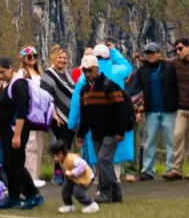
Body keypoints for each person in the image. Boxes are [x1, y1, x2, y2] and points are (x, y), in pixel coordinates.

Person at [68, 43, 134, 181]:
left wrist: (72, 123)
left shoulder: (84, 77)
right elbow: (127, 66)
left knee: (98, 155)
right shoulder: (118, 70)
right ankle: (115, 180)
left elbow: (77, 102)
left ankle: (101, 182)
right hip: (115, 120)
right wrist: (114, 51)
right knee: (113, 155)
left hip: (95, 121)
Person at [0, 56, 42, 210]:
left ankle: (33, 194)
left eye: (2, 72)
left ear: (10, 68)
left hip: (17, 130)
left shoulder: (18, 84)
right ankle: (14, 196)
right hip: (6, 130)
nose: (0, 76)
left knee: (17, 166)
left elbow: (21, 112)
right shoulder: (5, 84)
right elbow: (2, 108)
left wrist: (17, 136)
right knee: (8, 165)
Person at [76, 54, 125, 203]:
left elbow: (120, 110)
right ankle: (116, 193)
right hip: (95, 133)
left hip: (110, 132)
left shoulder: (109, 86)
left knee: (103, 160)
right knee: (103, 162)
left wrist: (119, 131)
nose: (87, 73)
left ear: (96, 69)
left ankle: (105, 192)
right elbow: (84, 113)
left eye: (89, 70)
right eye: (84, 71)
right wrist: (81, 133)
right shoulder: (84, 89)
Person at [126, 41, 178, 180]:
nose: (150, 55)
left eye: (153, 53)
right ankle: (148, 170)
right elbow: (133, 87)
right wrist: (123, 97)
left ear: (159, 53)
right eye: (148, 53)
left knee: (171, 142)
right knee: (149, 142)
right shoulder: (143, 70)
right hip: (151, 111)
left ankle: (172, 169)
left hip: (168, 110)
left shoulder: (169, 68)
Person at [162, 39, 189, 181]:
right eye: (176, 50)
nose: (178, 52)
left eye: (180, 49)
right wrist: (144, 59)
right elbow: (163, 60)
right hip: (181, 108)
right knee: (177, 137)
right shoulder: (176, 62)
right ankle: (176, 169)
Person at [41, 46, 75, 183]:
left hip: (70, 115)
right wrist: (55, 114)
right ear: (53, 59)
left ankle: (64, 171)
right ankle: (59, 172)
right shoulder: (48, 74)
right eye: (60, 57)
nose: (62, 60)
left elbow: (71, 92)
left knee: (66, 145)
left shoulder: (67, 74)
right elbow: (47, 96)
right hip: (56, 116)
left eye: (65, 58)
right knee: (62, 144)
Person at [16, 46, 45, 187]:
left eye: (35, 55)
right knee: (30, 143)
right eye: (29, 56)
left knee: (39, 143)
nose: (33, 58)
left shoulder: (38, 73)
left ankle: (36, 175)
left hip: (39, 112)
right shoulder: (22, 73)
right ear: (23, 58)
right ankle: (30, 176)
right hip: (29, 111)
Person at [48, 139, 99, 214]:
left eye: (53, 156)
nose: (52, 159)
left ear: (60, 154)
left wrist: (72, 172)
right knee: (65, 189)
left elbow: (83, 164)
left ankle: (92, 205)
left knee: (77, 192)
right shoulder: (62, 160)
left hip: (85, 177)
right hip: (74, 178)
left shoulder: (71, 158)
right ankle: (68, 206)